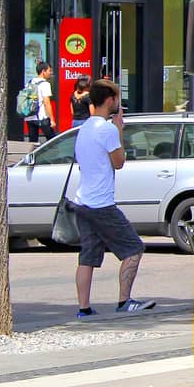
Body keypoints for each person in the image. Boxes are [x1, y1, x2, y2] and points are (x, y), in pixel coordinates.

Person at [72, 78, 155, 318]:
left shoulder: (84, 128)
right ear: (110, 100)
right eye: (117, 99)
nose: (118, 103)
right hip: (102, 203)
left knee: (87, 257)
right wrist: (119, 130)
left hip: (83, 200)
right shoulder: (107, 129)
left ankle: (83, 308)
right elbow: (118, 163)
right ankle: (124, 300)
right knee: (134, 248)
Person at [27, 61, 56, 144]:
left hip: (30, 116)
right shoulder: (45, 84)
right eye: (49, 71)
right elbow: (47, 102)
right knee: (52, 141)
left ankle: (32, 156)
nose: (50, 73)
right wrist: (52, 120)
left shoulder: (30, 82)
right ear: (43, 71)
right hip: (42, 117)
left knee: (33, 142)